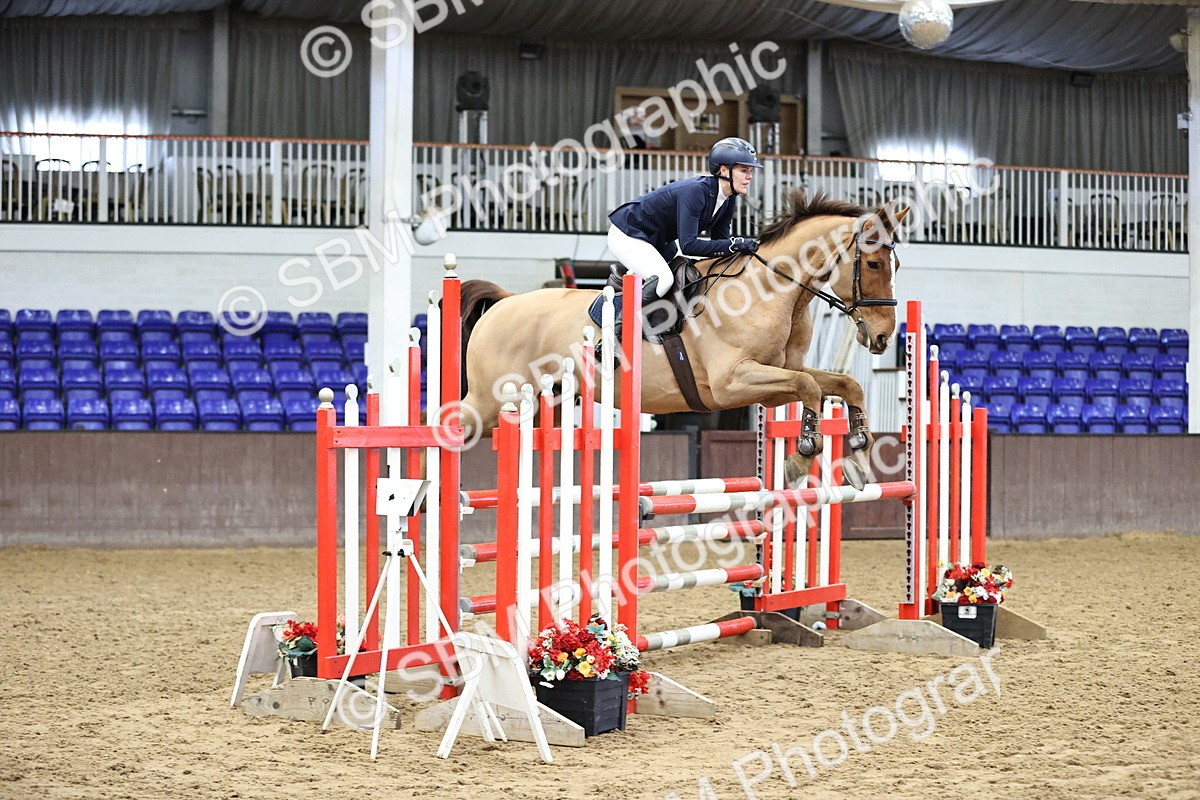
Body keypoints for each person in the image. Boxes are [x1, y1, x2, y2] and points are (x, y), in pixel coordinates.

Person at [607, 137, 762, 317]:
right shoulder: (696, 191)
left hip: (657, 242)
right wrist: (735, 244)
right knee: (664, 280)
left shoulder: (728, 199)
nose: (749, 176)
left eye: (750, 171)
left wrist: (741, 248)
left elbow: (720, 242)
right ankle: (621, 324)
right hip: (628, 233)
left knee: (686, 275)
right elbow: (689, 245)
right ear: (724, 170)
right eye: (744, 170)